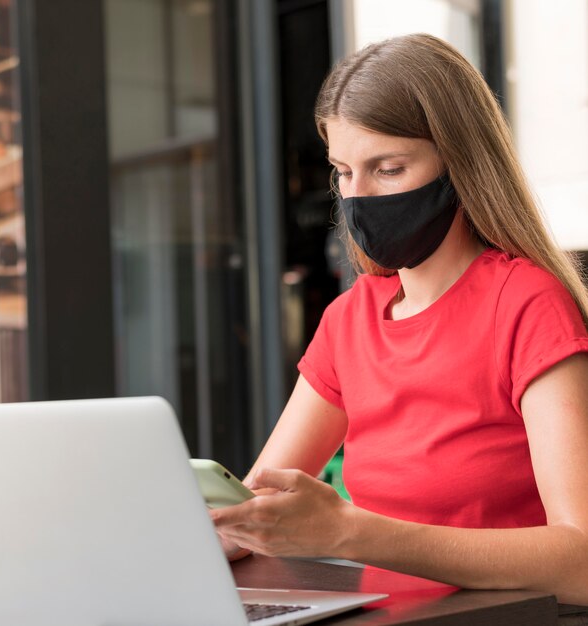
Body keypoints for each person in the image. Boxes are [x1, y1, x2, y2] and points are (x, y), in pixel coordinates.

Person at [211, 33, 588, 606]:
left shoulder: (527, 304)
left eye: (388, 169)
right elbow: (257, 501)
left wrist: (352, 532)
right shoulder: (349, 320)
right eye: (342, 172)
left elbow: (581, 561)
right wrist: (213, 528)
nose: (357, 198)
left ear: (459, 166)